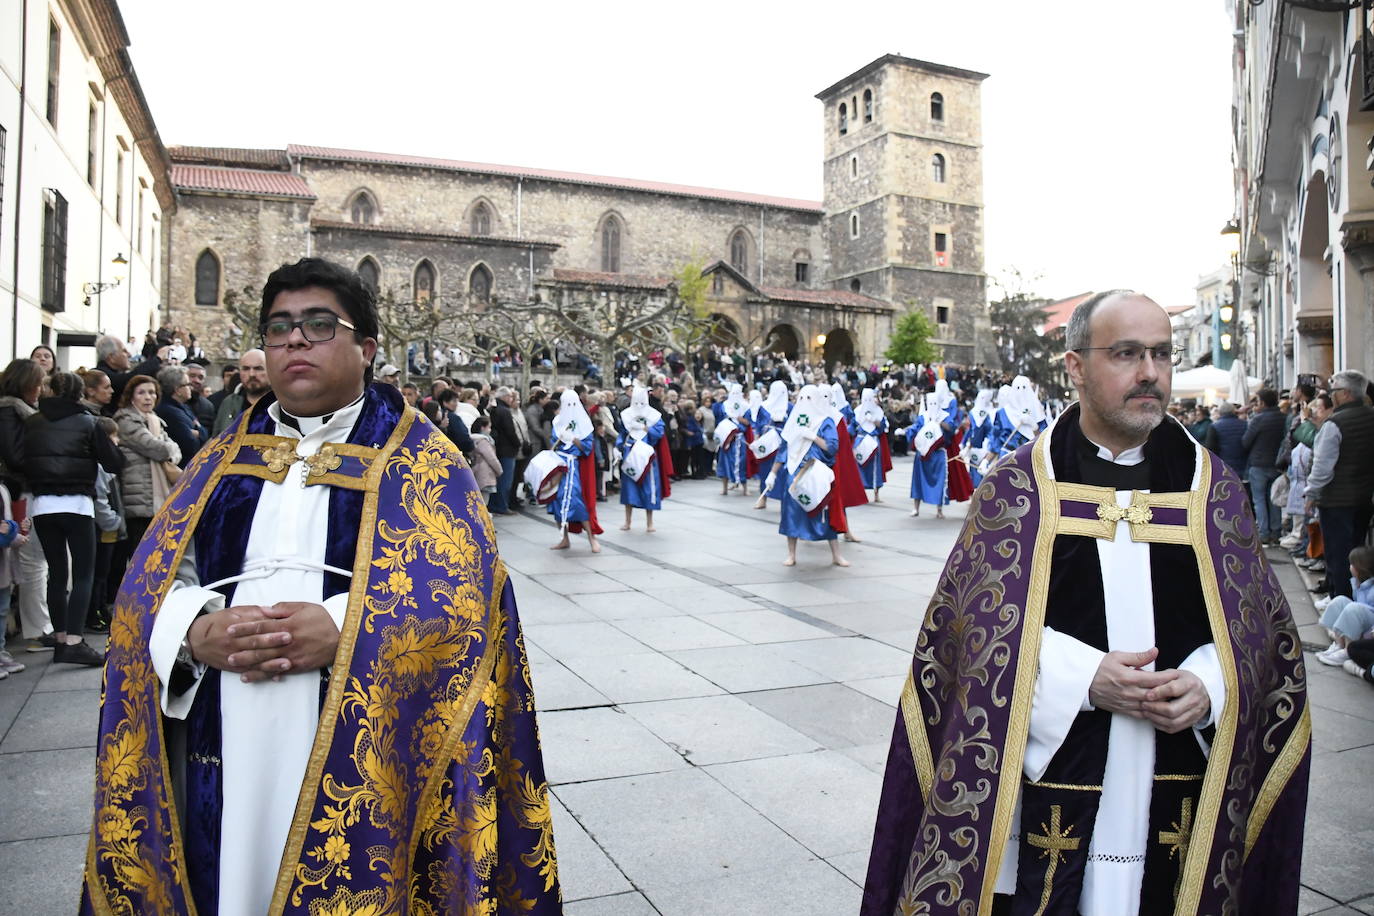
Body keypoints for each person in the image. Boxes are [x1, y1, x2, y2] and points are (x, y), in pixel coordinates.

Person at [83, 257, 560, 915]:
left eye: (318, 325)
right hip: (221, 723)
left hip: (364, 736)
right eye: (279, 328)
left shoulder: (423, 459)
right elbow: (150, 581)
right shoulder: (221, 457)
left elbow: (466, 596)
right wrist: (192, 630)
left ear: (366, 348)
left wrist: (346, 626)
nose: (295, 342)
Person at [862, 290, 1309, 916]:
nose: (1149, 372)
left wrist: (1212, 684)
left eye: (1161, 354)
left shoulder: (1214, 490)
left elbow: (1263, 634)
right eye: (1126, 353)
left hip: (1184, 773)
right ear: (1075, 366)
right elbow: (966, 636)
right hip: (1050, 777)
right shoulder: (1018, 487)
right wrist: (1082, 678)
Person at [21, 370, 124, 665]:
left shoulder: (32, 421)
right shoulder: (88, 422)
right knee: (83, 574)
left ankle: (60, 639)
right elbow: (113, 462)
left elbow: (19, 458)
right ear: (80, 394)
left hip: (42, 504)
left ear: (51, 390)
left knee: (56, 574)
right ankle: (75, 642)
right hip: (78, 504)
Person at [0, 359, 56, 651]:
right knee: (34, 561)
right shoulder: (10, 411)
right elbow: (15, 456)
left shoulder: (17, 410)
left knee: (34, 561)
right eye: (39, 382)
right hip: (21, 492)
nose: (42, 388)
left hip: (24, 490)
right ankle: (38, 630)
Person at [1305, 369, 1374, 601]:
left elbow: (1323, 467)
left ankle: (1341, 600)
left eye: (1333, 391)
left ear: (1345, 394)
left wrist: (1311, 494)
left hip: (1336, 500)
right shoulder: (1370, 416)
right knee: (1357, 552)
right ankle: (1355, 599)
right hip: (1363, 497)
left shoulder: (1335, 424)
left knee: (1338, 554)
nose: (1330, 395)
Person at [111, 374, 182, 590]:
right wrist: (168, 449)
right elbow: (158, 449)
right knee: (138, 557)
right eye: (141, 392)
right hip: (138, 499)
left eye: (152, 392)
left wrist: (168, 449)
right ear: (131, 397)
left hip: (156, 499)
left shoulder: (155, 421)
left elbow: (176, 452)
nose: (148, 397)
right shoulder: (126, 420)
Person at [765, 384, 847, 567]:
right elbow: (783, 449)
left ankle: (836, 555)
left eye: (809, 398)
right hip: (793, 472)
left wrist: (813, 437)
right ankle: (791, 554)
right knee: (791, 512)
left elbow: (832, 447)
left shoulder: (825, 421)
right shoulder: (793, 421)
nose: (804, 402)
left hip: (816, 472)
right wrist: (772, 473)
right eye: (801, 398)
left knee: (825, 511)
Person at [548, 389, 603, 552]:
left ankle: (592, 538)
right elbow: (553, 442)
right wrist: (561, 438)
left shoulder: (584, 423)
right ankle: (564, 538)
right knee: (557, 501)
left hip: (574, 466)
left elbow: (587, 447)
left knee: (577, 501)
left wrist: (573, 439)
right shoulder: (558, 422)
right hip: (559, 464)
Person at [617, 384, 673, 532]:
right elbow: (622, 433)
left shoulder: (654, 415)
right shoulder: (626, 414)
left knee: (649, 488)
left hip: (648, 454)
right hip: (630, 452)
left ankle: (650, 522)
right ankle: (627, 521)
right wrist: (619, 447)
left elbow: (659, 432)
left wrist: (646, 428)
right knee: (629, 487)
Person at [1315, 545, 1374, 666]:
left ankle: (1348, 650)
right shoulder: (1358, 582)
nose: (1350, 566)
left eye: (1352, 564)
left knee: (1353, 608)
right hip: (1362, 619)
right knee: (1340, 601)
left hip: (1370, 628)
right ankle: (1340, 644)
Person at [1242, 387, 1285, 545]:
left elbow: (1246, 442)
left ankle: (1264, 532)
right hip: (1277, 464)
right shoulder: (1283, 417)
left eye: (1258, 401)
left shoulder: (1258, 419)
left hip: (1259, 463)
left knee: (1259, 500)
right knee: (1273, 498)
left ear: (1263, 403)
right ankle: (1276, 531)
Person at [0, 478, 29, 677]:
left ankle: (1, 652)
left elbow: (6, 526)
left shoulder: (3, 489)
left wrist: (17, 530)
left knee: (2, 609)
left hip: (3, 561)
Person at [156, 365, 209, 467]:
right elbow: (191, 445)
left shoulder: (184, 407)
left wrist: (199, 431)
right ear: (177, 390)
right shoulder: (169, 412)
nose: (191, 387)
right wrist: (198, 431)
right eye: (187, 384)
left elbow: (205, 433)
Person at [212, 349, 271, 434]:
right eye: (246, 369)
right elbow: (216, 436)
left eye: (258, 368)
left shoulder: (283, 403)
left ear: (270, 370)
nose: (251, 374)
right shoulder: (229, 403)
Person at [488, 386, 522, 515]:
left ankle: (495, 504)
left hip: (498, 448)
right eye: (510, 396)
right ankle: (502, 506)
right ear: (504, 397)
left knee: (498, 479)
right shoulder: (505, 411)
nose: (511, 399)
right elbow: (510, 431)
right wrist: (517, 443)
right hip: (507, 449)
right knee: (505, 480)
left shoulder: (495, 409)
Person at [468, 415, 503, 506]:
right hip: (485, 474)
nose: (490, 430)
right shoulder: (483, 441)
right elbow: (491, 458)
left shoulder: (472, 440)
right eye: (489, 427)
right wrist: (499, 470)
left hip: (476, 472)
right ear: (482, 428)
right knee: (483, 503)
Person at [94, 334, 134, 411]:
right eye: (124, 351)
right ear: (111, 357)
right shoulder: (100, 375)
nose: (129, 355)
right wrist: (156, 359)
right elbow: (126, 380)